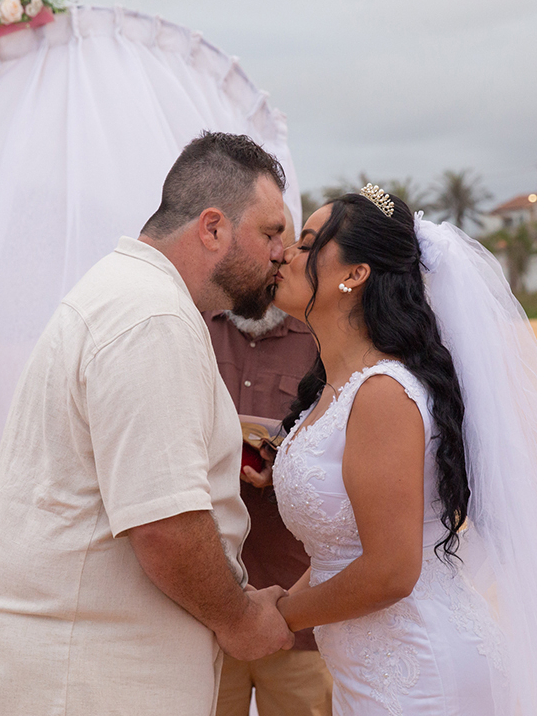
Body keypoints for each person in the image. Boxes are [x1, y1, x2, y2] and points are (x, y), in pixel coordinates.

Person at [270, 188, 537, 714]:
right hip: (375, 668)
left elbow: (390, 571)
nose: (285, 253)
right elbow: (342, 546)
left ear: (354, 275)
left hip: (420, 674)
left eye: (307, 244)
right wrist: (279, 600)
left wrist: (281, 616)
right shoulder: (332, 389)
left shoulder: (382, 394)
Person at [0, 132, 295, 716]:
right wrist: (238, 620)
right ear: (213, 228)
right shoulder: (151, 316)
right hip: (80, 674)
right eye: (271, 232)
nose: (281, 252)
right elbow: (164, 523)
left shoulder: (135, 296)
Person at [206, 213, 332, 716]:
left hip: (298, 608)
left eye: (285, 245)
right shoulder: (193, 330)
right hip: (210, 604)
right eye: (267, 243)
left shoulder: (325, 341)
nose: (275, 257)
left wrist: (284, 469)